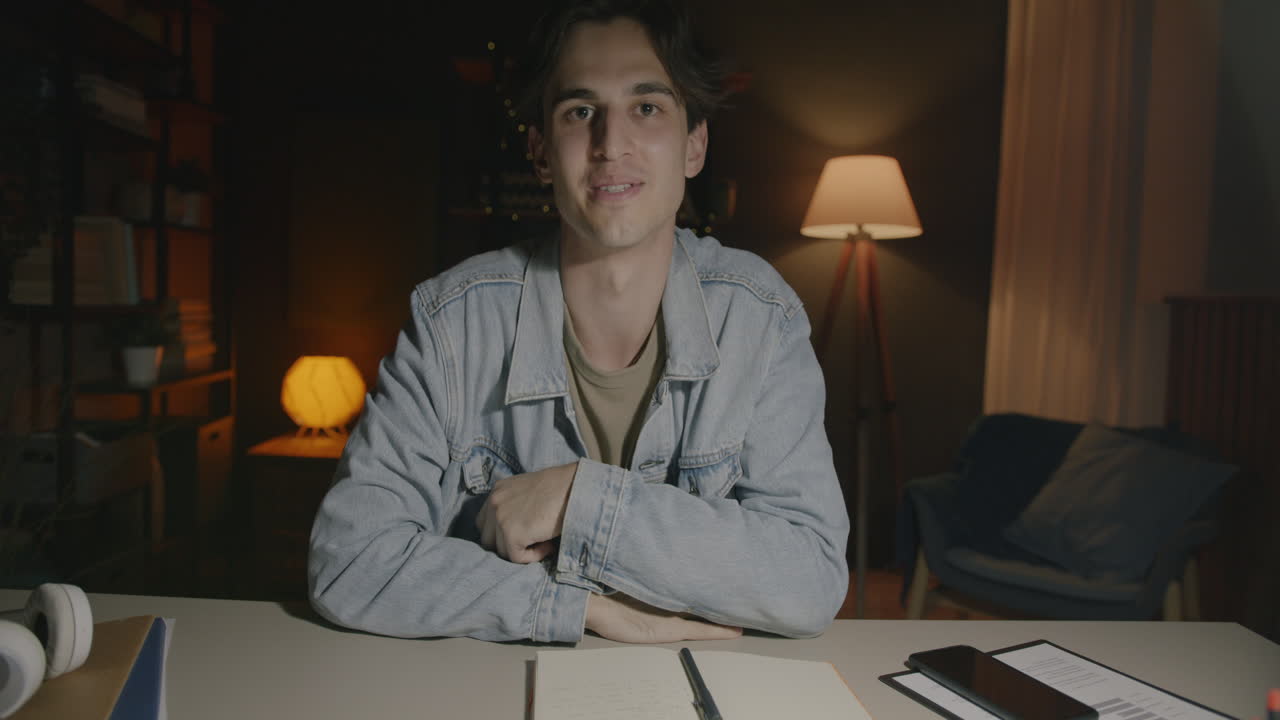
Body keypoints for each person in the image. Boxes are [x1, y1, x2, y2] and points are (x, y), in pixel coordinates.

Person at [308, 0, 849, 644]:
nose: (611, 143)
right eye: (580, 111)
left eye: (646, 107)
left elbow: (810, 577)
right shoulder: (453, 321)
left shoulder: (759, 317)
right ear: (540, 152)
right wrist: (577, 608)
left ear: (694, 144)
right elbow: (349, 562)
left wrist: (582, 500)